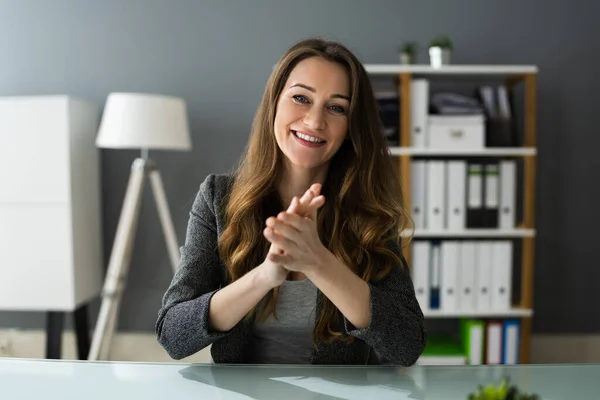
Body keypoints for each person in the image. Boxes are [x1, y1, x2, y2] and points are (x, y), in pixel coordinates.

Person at [155, 37, 426, 365]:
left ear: (351, 125)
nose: (314, 121)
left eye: (336, 107)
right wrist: (265, 276)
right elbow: (172, 334)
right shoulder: (218, 198)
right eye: (301, 98)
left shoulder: (370, 212)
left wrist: (318, 262)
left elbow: (408, 344)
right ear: (274, 103)